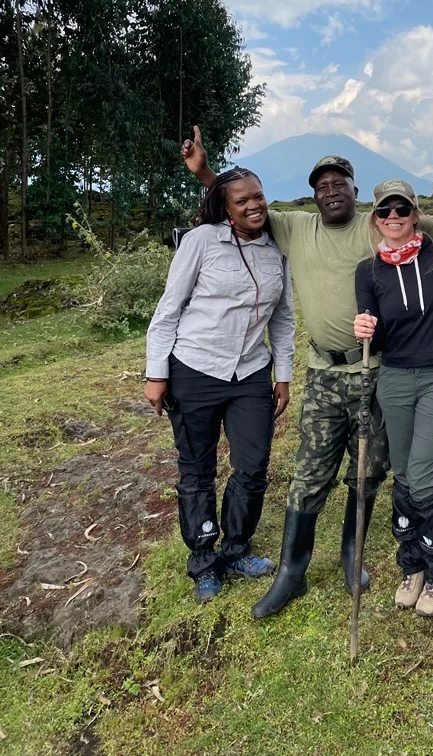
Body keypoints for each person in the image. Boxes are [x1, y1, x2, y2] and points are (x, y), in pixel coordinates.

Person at [181, 127, 433, 619]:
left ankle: (355, 556)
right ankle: (292, 571)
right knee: (310, 470)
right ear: (313, 194)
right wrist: (204, 172)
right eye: (322, 186)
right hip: (325, 371)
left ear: (356, 190)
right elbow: (243, 205)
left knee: (369, 469)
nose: (331, 192)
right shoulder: (294, 228)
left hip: (376, 369)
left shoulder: (378, 228)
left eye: (340, 184)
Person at [144, 168, 294, 603]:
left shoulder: (275, 251)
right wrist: (157, 373)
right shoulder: (200, 242)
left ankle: (236, 548)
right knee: (197, 470)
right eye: (242, 200)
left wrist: (281, 374)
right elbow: (168, 310)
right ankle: (203, 560)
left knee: (252, 465)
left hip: (250, 372)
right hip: (194, 369)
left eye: (259, 197)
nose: (254, 206)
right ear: (225, 208)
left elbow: (282, 320)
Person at [354, 179, 433, 617]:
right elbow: (374, 331)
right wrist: (365, 328)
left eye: (402, 209)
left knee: (421, 473)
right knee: (403, 473)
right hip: (395, 376)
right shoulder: (367, 271)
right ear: (376, 218)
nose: (394, 217)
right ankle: (413, 564)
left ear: (417, 214)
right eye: (385, 211)